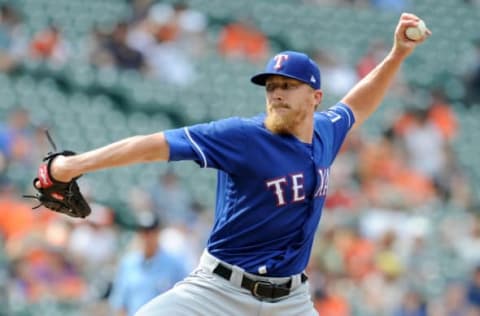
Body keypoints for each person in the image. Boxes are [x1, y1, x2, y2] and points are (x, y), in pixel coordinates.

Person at [34, 13, 430, 316]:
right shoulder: (242, 136)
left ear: (315, 98)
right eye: (271, 87)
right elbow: (152, 146)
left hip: (291, 300)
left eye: (288, 86)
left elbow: (358, 103)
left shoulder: (327, 130)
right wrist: (69, 167)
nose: (276, 94)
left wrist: (396, 54)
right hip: (217, 291)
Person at [108, 211, 187, 316]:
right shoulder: (128, 264)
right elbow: (120, 303)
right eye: (144, 231)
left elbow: (184, 299)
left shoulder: (174, 264)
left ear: (158, 233)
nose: (147, 236)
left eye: (151, 231)